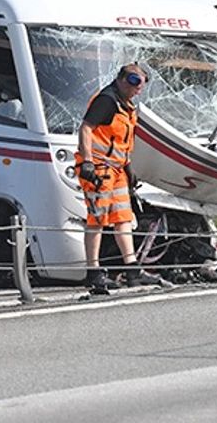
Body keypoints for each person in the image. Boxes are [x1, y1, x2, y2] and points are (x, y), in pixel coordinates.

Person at [75, 62, 163, 294]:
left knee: (123, 217)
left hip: (117, 169)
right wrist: (86, 161)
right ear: (125, 80)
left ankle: (132, 269)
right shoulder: (107, 101)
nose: (138, 90)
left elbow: (122, 141)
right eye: (135, 84)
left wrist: (128, 166)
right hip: (98, 168)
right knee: (97, 219)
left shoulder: (126, 105)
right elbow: (86, 128)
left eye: (141, 86)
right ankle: (93, 272)